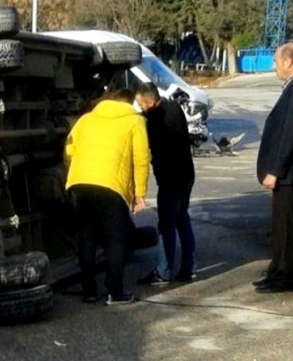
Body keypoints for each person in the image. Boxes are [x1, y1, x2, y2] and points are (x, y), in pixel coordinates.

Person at [64, 87, 150, 305]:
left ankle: (89, 291)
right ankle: (115, 291)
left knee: (87, 235)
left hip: (79, 183)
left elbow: (69, 150)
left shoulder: (86, 119)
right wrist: (139, 193)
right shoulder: (135, 121)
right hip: (111, 185)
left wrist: (76, 171)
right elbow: (141, 159)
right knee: (116, 239)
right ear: (129, 103)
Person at [253, 43, 293, 293]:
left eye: (276, 61)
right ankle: (275, 270)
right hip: (290, 171)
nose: (274, 66)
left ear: (288, 62)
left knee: (286, 227)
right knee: (280, 225)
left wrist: (275, 171)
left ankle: (283, 277)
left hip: (291, 172)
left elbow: (292, 134)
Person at [134, 82, 197, 283]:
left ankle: (163, 271)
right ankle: (188, 267)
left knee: (166, 225)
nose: (140, 109)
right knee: (182, 219)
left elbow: (149, 150)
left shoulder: (155, 119)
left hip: (170, 179)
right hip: (186, 174)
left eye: (141, 105)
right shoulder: (174, 108)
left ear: (151, 102)